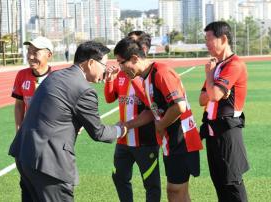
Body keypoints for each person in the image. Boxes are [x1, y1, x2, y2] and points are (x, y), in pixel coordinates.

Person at [9, 41, 128, 202]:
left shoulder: (56, 75)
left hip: (24, 155)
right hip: (48, 164)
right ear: (91, 63)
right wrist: (121, 129)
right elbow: (98, 132)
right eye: (104, 64)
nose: (106, 69)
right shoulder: (84, 90)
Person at [114, 37, 203, 202]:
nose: (120, 68)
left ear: (134, 58)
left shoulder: (161, 72)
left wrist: (160, 125)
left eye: (121, 63)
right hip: (171, 142)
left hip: (181, 139)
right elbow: (151, 111)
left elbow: (179, 106)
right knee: (176, 191)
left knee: (176, 191)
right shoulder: (146, 77)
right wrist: (128, 125)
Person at [105, 31, 161, 202]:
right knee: (120, 178)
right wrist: (110, 80)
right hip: (123, 140)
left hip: (145, 140)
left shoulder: (151, 74)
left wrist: (135, 79)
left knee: (151, 184)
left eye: (131, 43)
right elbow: (109, 98)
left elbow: (152, 108)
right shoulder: (123, 72)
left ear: (142, 49)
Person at [199, 21, 249, 202]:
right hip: (213, 131)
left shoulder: (234, 64)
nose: (206, 43)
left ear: (224, 39)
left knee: (232, 183)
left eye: (209, 39)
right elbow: (202, 99)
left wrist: (210, 78)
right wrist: (213, 86)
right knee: (219, 182)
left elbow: (213, 94)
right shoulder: (217, 66)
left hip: (228, 132)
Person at [11, 36, 54, 202]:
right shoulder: (22, 75)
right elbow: (19, 104)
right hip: (28, 138)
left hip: (49, 141)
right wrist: (18, 128)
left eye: (35, 52)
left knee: (46, 184)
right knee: (27, 182)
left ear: (48, 55)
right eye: (29, 51)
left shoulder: (57, 77)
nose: (30, 56)